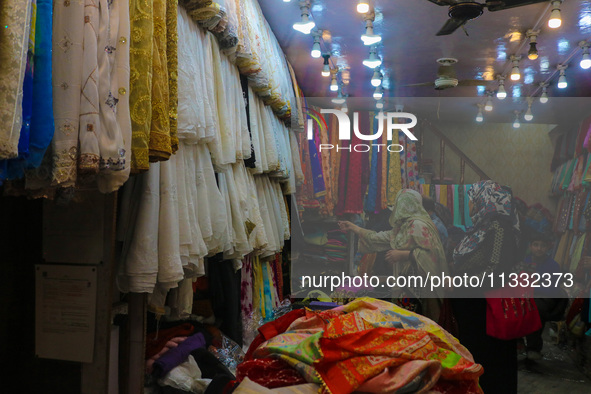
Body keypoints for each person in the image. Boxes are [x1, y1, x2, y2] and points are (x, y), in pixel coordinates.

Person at [451, 180, 523, 394]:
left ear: (485, 199)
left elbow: (495, 270)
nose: (470, 205)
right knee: (478, 356)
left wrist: (459, 283)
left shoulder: (499, 229)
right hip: (474, 308)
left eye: (472, 200)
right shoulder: (482, 227)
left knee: (491, 360)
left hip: (486, 310)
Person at [338, 189, 448, 321]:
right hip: (408, 288)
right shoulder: (404, 227)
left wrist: (405, 255)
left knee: (422, 323)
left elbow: (432, 255)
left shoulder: (419, 225)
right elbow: (379, 238)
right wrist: (354, 228)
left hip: (422, 291)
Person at [522, 232, 568, 360]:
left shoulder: (553, 266)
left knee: (535, 309)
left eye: (542, 246)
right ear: (530, 246)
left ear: (548, 248)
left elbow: (552, 289)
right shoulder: (525, 262)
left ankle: (533, 348)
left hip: (547, 299)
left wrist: (532, 287)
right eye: (536, 245)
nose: (539, 248)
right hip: (528, 295)